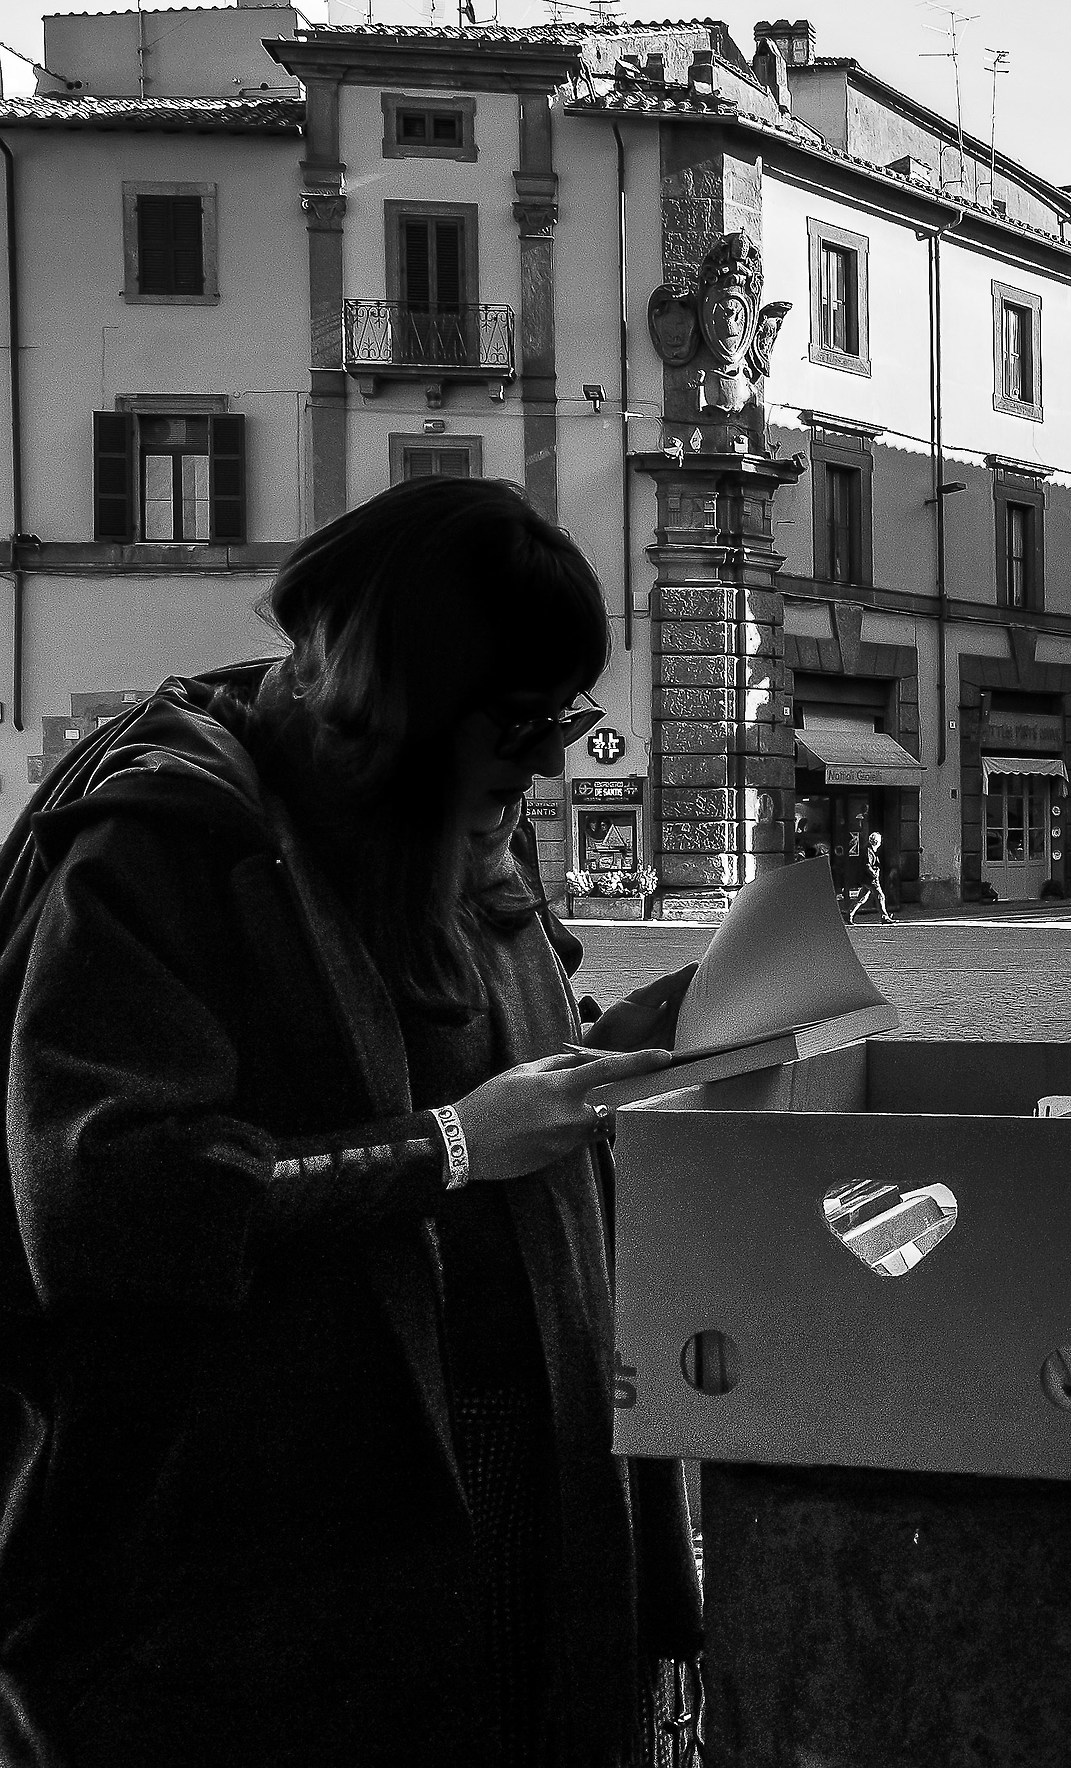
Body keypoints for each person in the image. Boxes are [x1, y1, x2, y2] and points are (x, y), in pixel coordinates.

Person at [0, 478, 703, 1766]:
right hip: (265, 1561)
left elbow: (457, 1050)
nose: (549, 761)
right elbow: (106, 1197)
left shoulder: (454, 816)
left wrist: (604, 1053)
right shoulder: (166, 842)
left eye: (565, 718)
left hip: (517, 1493)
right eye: (520, 723)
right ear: (406, 707)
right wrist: (453, 1146)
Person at [846, 828, 894, 924]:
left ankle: (849, 914)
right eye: (879, 841)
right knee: (880, 896)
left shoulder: (870, 850)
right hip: (870, 879)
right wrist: (874, 874)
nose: (880, 843)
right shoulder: (869, 851)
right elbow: (867, 865)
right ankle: (884, 917)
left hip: (867, 878)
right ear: (876, 842)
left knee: (862, 898)